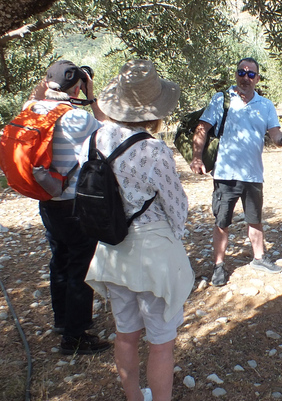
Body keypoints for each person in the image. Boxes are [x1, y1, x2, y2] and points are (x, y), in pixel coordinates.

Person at [84, 59, 193, 401]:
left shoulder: (96, 138)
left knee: (125, 334)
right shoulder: (153, 150)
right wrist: (175, 237)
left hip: (112, 250)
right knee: (161, 344)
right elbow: (177, 207)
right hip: (153, 256)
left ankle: (134, 397)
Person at [190, 57, 282, 287]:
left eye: (251, 74)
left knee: (255, 220)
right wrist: (197, 157)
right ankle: (219, 266)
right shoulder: (221, 99)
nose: (246, 77)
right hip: (225, 175)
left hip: (253, 175)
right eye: (242, 72)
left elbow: (274, 134)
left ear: (257, 79)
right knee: (222, 221)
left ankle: (259, 258)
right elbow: (202, 128)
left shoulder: (265, 105)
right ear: (236, 74)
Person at [31, 60, 111, 355]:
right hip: (72, 204)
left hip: (47, 200)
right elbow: (108, 130)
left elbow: (35, 97)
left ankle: (62, 320)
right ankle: (75, 337)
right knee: (80, 265)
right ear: (76, 86)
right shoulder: (75, 117)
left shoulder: (33, 110)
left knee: (60, 259)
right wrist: (91, 97)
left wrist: (42, 92)